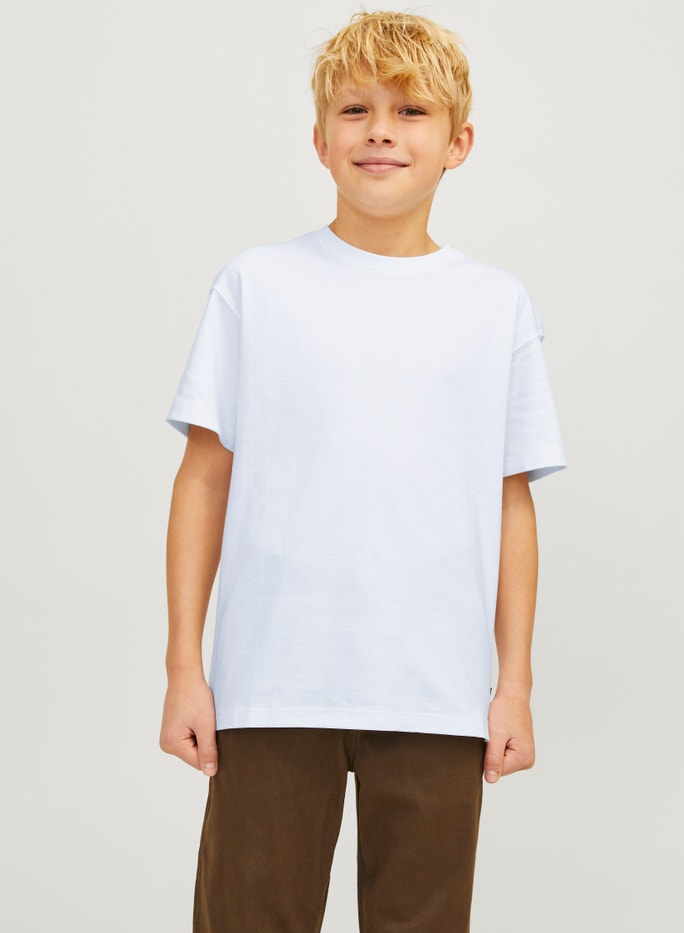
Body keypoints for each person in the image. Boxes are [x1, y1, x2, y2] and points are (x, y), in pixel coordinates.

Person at [160, 10, 567, 932]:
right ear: (319, 140)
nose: (380, 130)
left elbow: (511, 502)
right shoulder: (256, 286)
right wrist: (186, 665)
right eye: (355, 109)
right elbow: (204, 479)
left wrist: (514, 684)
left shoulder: (495, 306)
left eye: (410, 110)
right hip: (271, 682)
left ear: (458, 143)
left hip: (437, 689)